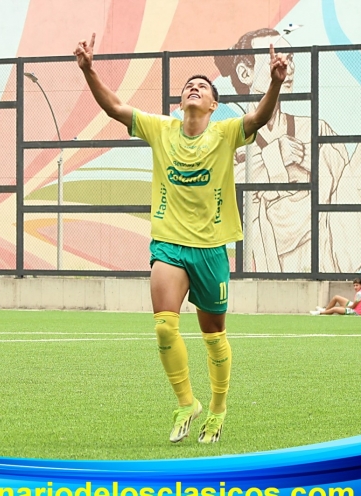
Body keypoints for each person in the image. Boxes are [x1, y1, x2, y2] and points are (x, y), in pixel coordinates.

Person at [75, 33, 287, 443]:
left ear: (213, 105)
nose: (195, 87)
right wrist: (88, 70)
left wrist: (275, 83)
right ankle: (187, 402)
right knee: (164, 328)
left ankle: (218, 408)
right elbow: (115, 107)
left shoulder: (225, 133)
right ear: (179, 101)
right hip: (169, 245)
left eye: (203, 87)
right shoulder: (161, 129)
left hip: (211, 250)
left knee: (214, 336)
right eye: (190, 85)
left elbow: (259, 118)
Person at [216, 0, 361, 273]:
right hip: (280, 256)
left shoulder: (314, 129)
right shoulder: (231, 135)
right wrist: (275, 156)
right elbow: (225, 191)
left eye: (290, 57)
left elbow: (347, 186)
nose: (287, 65)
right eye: (276, 57)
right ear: (245, 73)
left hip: (331, 238)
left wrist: (305, 163)